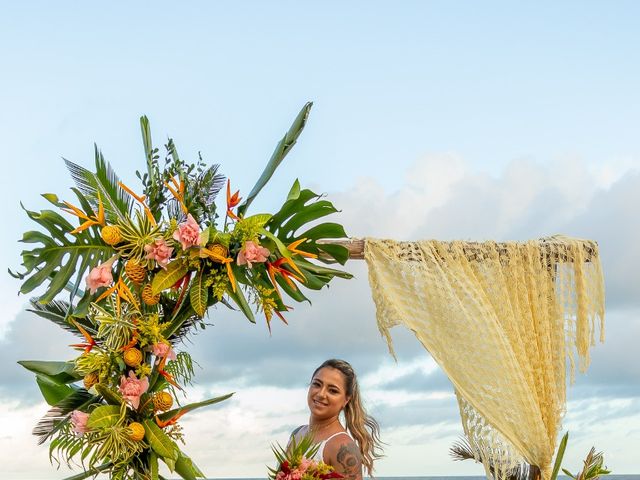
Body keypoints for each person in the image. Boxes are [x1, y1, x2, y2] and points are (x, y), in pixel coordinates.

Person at [289, 359, 383, 480]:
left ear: (346, 400)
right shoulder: (297, 433)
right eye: (317, 384)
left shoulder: (342, 447)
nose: (321, 394)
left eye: (333, 390)